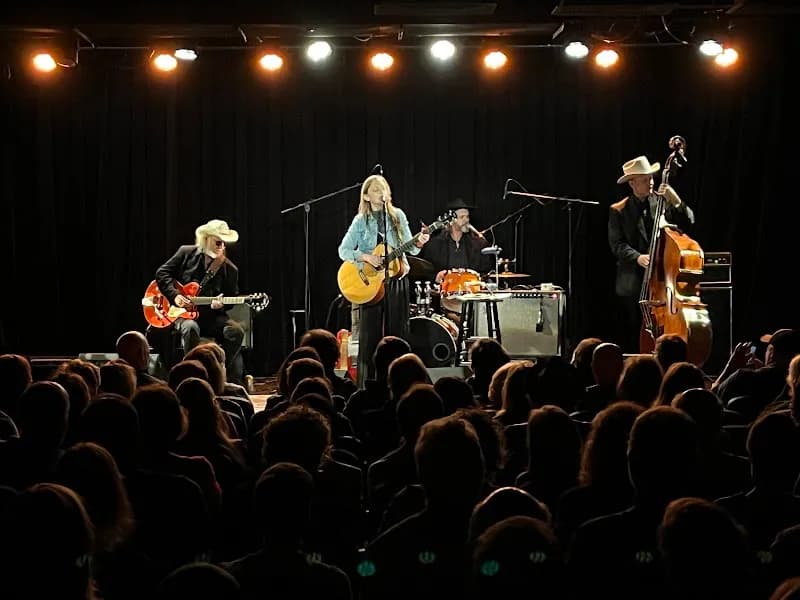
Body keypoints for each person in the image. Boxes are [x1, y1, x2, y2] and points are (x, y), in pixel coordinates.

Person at [338, 174, 429, 387]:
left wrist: (420, 242)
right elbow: (343, 250)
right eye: (376, 190)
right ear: (367, 196)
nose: (382, 193)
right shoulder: (361, 220)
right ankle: (367, 387)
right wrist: (366, 257)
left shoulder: (397, 216)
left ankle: (400, 385)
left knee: (398, 336)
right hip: (370, 286)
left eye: (384, 189)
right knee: (369, 339)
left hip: (396, 282)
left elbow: (412, 248)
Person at [608, 155, 694, 353]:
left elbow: (689, 221)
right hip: (632, 281)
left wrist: (676, 201)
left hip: (662, 278)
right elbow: (617, 245)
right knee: (633, 328)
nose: (651, 182)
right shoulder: (618, 210)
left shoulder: (663, 202)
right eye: (645, 179)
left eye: (651, 178)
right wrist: (638, 257)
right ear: (632, 183)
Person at [154, 219, 245, 383]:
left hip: (211, 317)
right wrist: (175, 295)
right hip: (183, 314)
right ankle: (191, 373)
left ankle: (215, 371)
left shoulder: (230, 269)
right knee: (190, 328)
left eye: (224, 242)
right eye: (218, 241)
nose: (222, 246)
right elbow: (162, 273)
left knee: (236, 332)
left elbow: (231, 297)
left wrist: (221, 305)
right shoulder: (186, 253)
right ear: (206, 239)